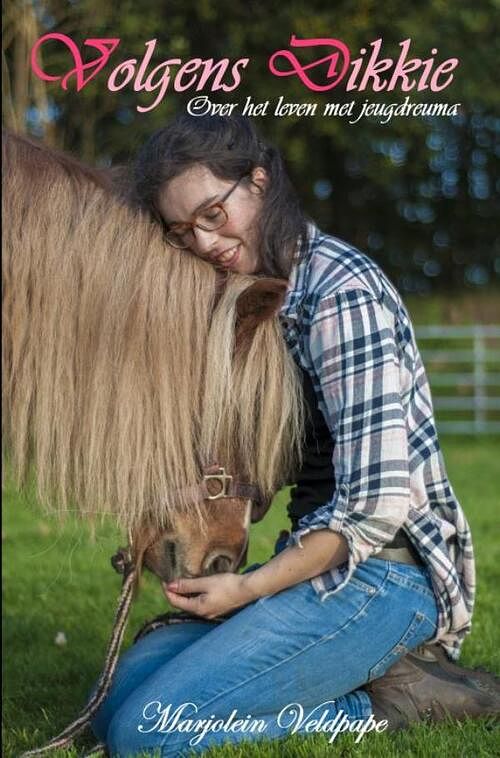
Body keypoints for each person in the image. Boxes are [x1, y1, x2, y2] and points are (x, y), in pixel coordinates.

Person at [91, 115, 500, 756]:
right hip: (312, 564)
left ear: (258, 182)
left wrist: (247, 588)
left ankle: (392, 704)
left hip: (383, 578)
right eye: (181, 231)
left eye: (213, 214)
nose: (203, 241)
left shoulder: (341, 293)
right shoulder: (261, 298)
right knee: (116, 700)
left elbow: (375, 506)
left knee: (146, 731)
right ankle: (354, 677)